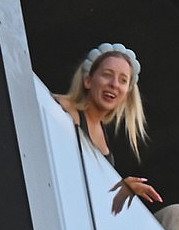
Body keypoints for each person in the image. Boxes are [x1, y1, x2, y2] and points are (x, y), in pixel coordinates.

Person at [54, 43, 162, 214]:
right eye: (107, 75)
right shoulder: (63, 108)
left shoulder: (105, 138)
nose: (114, 84)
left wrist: (123, 189)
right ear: (88, 80)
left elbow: (92, 197)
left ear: (126, 94)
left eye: (123, 80)